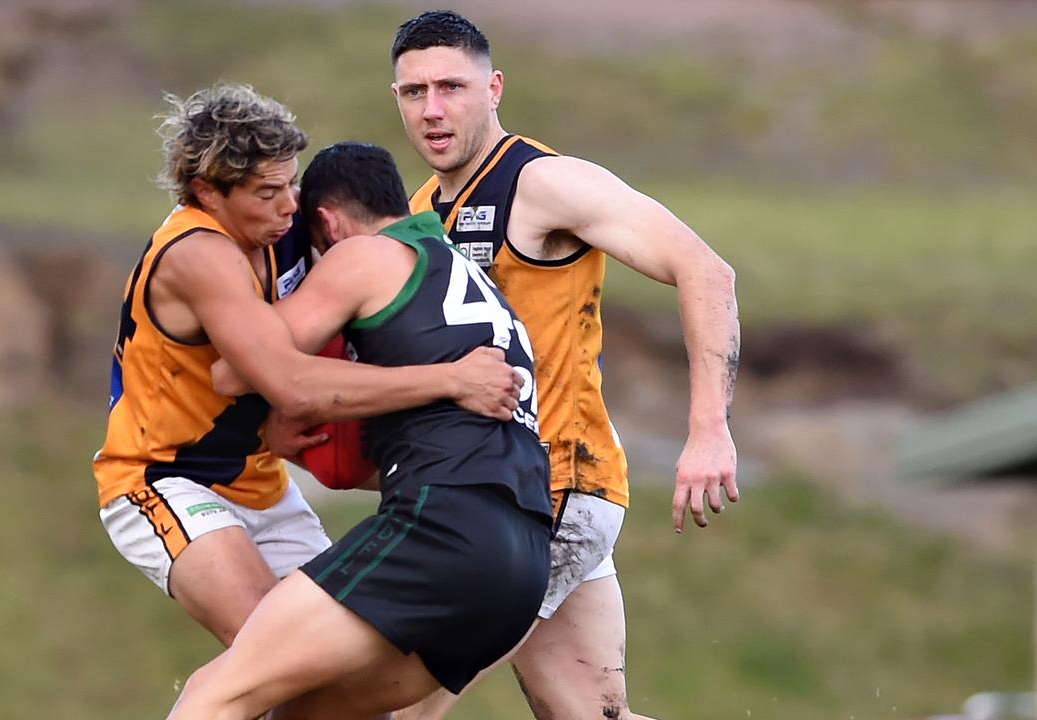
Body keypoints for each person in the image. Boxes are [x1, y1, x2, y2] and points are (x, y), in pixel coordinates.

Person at [388, 11, 742, 719]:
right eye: (412, 91)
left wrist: (708, 431)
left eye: (451, 87)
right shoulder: (423, 210)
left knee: (389, 704)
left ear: (493, 88)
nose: (432, 109)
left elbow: (705, 270)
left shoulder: (542, 183)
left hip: (550, 490)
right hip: (499, 491)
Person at [93, 84, 524, 649]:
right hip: (167, 478)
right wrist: (451, 379)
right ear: (207, 191)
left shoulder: (287, 225)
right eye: (268, 191)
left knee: (342, 675)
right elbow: (292, 385)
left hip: (261, 480)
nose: (289, 205)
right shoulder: (197, 253)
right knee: (272, 656)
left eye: (292, 183)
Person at [166, 141, 553, 720]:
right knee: (306, 713)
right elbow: (455, 437)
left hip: (444, 529)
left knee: (218, 691)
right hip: (522, 567)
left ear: (326, 222)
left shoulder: (365, 255)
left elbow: (235, 371)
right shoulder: (476, 285)